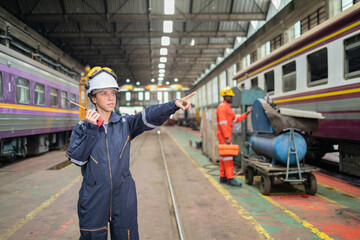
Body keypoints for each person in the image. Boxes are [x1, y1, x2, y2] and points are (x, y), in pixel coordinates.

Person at [66, 66, 195, 240]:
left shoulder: (124, 123)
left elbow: (148, 115)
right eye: (104, 94)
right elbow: (77, 158)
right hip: (94, 197)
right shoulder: (83, 128)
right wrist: (91, 129)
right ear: (93, 97)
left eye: (113, 93)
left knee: (126, 236)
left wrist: (173, 105)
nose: (111, 98)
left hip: (123, 194)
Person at [216, 86, 251, 187]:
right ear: (225, 96)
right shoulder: (222, 107)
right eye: (230, 96)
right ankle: (230, 179)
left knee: (223, 157)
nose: (232, 98)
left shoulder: (226, 107)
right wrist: (227, 137)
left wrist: (246, 114)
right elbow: (223, 123)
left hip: (225, 135)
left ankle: (223, 177)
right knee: (228, 158)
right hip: (224, 135)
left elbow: (235, 119)